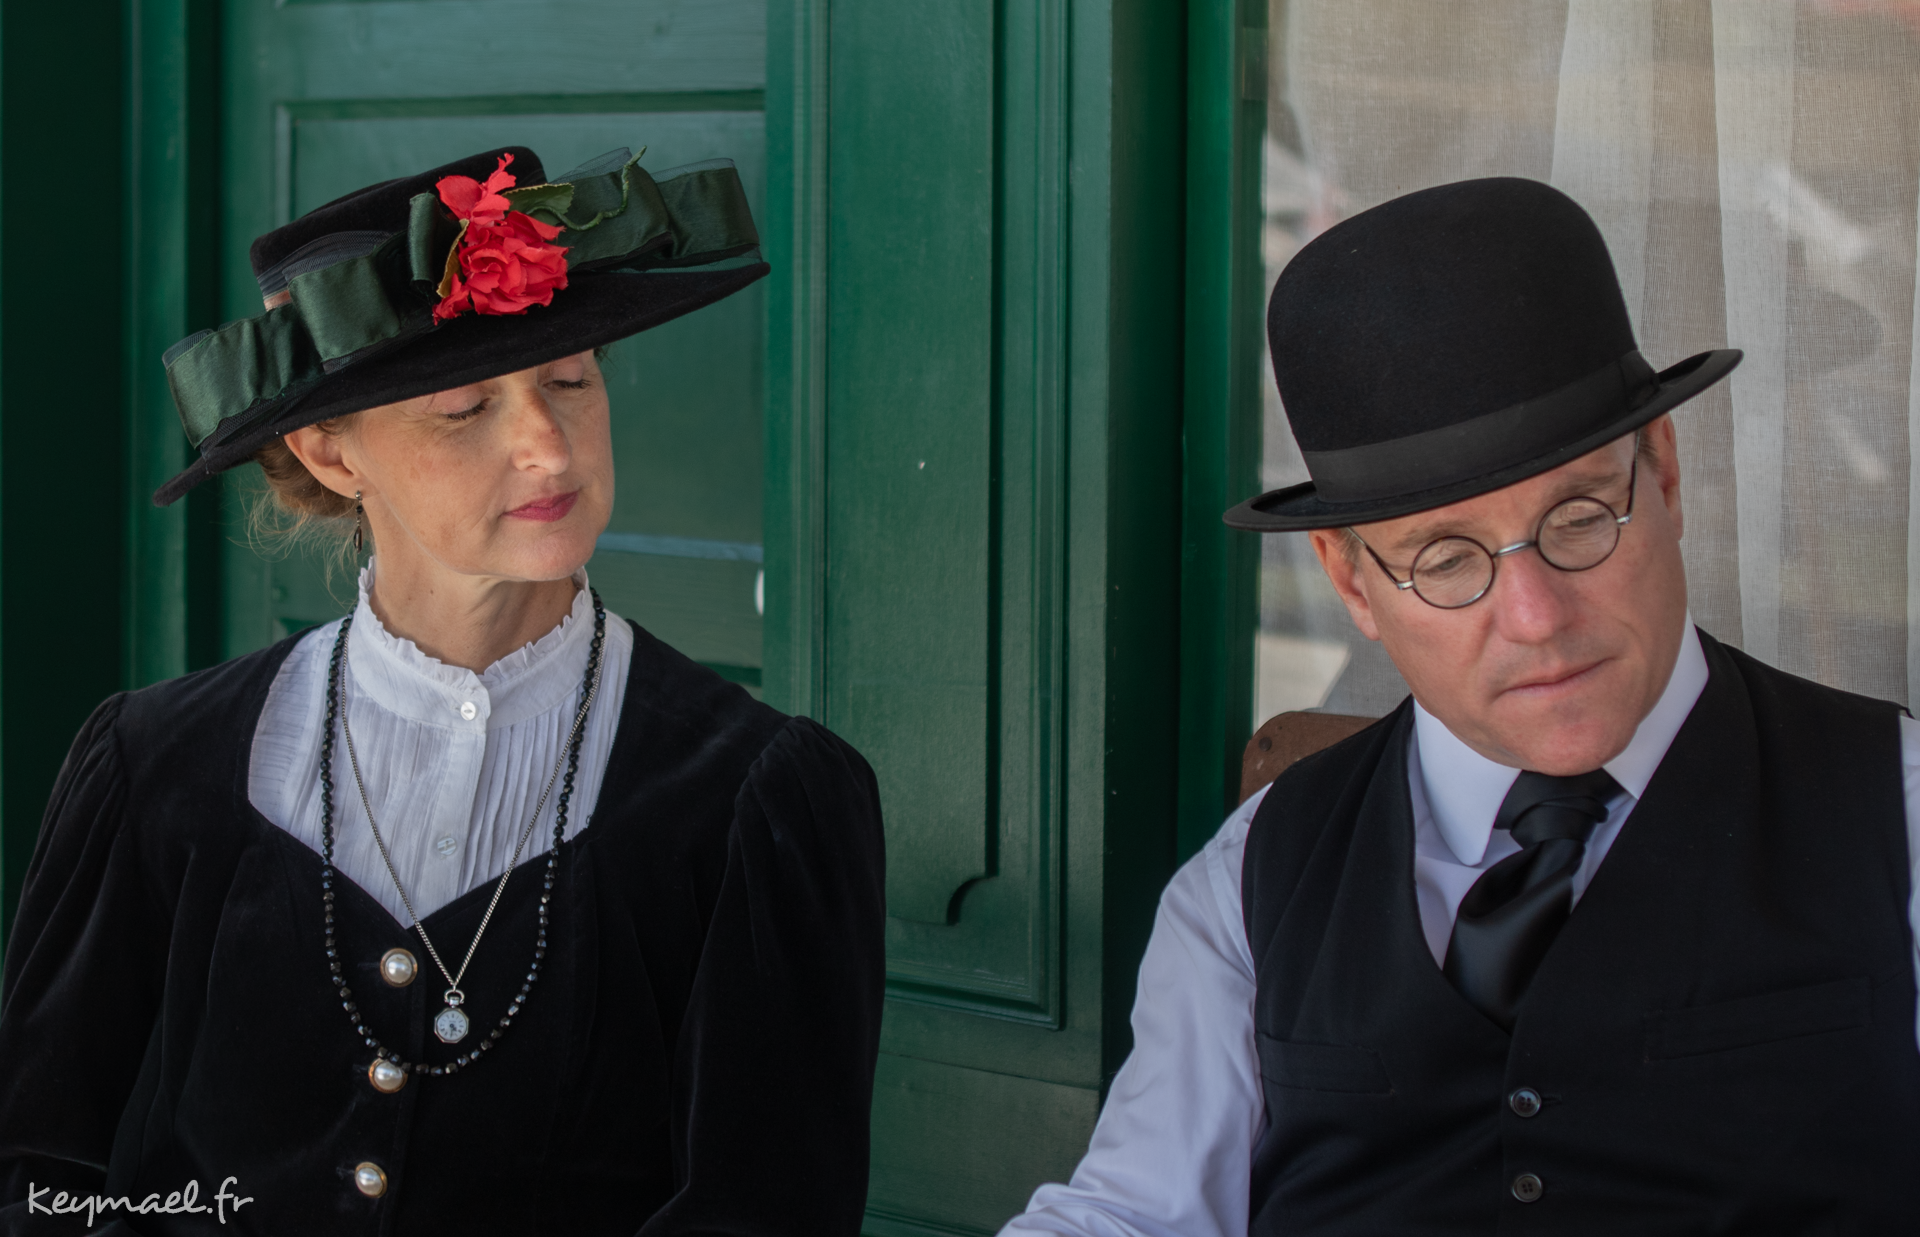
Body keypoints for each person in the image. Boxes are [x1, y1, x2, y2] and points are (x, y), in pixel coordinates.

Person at [1003, 177, 1920, 1234]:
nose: (1535, 616)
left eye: (1580, 517)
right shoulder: (1251, 878)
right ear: (1352, 583)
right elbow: (1129, 1212)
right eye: (1445, 559)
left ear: (1664, 477)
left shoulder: (1894, 817)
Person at [0, 145, 887, 1234]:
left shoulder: (760, 799)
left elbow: (766, 1211)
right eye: (466, 407)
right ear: (330, 453)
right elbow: (37, 1175)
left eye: (570, 380)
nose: (548, 447)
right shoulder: (153, 764)